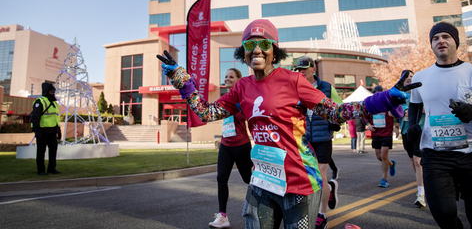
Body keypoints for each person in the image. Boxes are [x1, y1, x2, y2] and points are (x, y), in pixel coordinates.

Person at [158, 19, 414, 229]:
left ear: (274, 51)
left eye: (264, 43)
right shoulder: (241, 88)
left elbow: (335, 113)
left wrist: (385, 98)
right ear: (243, 52)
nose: (257, 49)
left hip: (299, 181)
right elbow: (205, 112)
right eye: (250, 44)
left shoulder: (294, 81)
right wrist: (180, 78)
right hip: (262, 181)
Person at [407, 22, 472, 228]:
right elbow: (414, 105)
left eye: (446, 36)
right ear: (431, 45)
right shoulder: (421, 77)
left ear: (456, 42)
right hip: (436, 153)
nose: (441, 41)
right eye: (435, 38)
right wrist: (412, 125)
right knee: (444, 214)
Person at [294, 56, 342, 228]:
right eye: (299, 69)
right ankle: (328, 190)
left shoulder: (326, 88)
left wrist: (335, 122)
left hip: (322, 138)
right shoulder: (295, 88)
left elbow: (339, 108)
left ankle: (322, 215)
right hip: (303, 139)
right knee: (306, 177)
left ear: (314, 69)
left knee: (320, 176)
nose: (301, 72)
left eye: (305, 69)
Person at [209, 68, 253, 228]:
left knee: (249, 179)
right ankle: (222, 216)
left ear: (238, 80)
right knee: (221, 178)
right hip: (226, 144)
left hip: (241, 145)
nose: (227, 79)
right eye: (226, 76)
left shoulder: (243, 98)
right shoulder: (224, 99)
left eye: (231, 77)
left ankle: (260, 207)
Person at [397, 69, 426, 208]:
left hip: (420, 129)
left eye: (411, 77)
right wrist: (402, 111)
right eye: (406, 77)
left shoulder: (421, 91)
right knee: (414, 162)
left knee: (418, 161)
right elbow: (393, 112)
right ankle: (423, 185)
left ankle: (421, 195)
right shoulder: (399, 95)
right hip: (405, 131)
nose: (409, 79)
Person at [365, 85, 399, 188]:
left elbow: (398, 114)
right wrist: (369, 125)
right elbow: (365, 116)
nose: (377, 95)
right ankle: (391, 164)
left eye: (379, 93)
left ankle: (384, 179)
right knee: (379, 157)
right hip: (376, 133)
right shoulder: (370, 104)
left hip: (386, 133)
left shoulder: (388, 103)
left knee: (384, 155)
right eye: (375, 93)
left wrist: (396, 127)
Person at [31, 82, 61, 175]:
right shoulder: (40, 101)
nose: (53, 94)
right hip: (42, 130)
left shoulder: (55, 103)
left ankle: (52, 168)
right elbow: (35, 117)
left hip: (52, 131)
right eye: (51, 92)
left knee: (53, 150)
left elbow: (56, 117)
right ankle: (41, 170)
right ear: (46, 92)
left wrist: (58, 130)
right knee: (41, 151)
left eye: (54, 92)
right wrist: (36, 130)